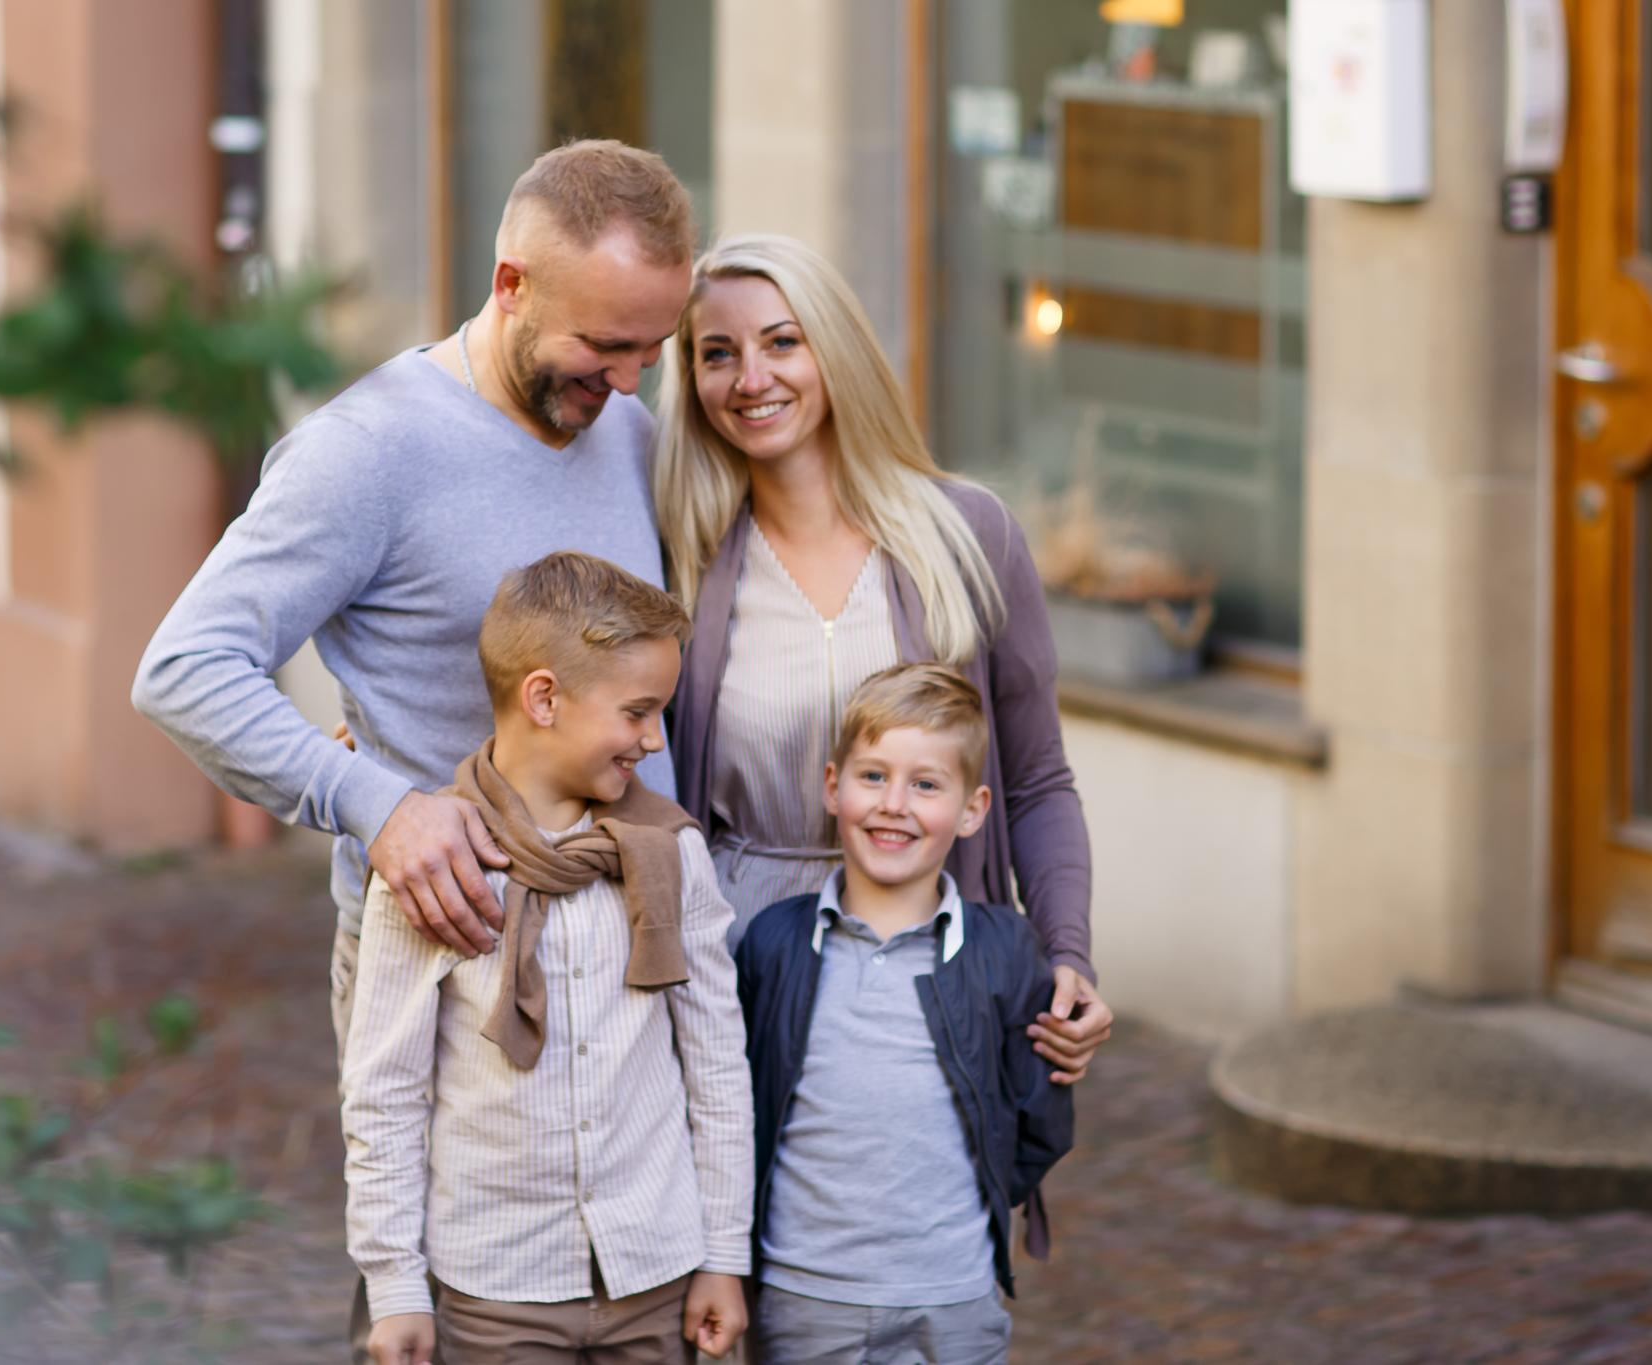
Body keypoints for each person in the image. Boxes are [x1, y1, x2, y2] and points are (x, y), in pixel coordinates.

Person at [132, 137, 696, 1355]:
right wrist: (373, 801)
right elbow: (183, 668)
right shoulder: (365, 451)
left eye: (648, 353)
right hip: (447, 967)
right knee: (427, 1311)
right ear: (510, 285)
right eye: (602, 347)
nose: (625, 384)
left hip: (625, 959)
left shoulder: (627, 433)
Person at [653, 232, 1113, 1085]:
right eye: (718, 354)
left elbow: (1037, 780)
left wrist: (1066, 952)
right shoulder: (682, 561)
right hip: (738, 976)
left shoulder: (969, 536)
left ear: (835, 349)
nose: (751, 378)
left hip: (934, 965)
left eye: (782, 342)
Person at [343, 552, 753, 1365]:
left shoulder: (671, 852)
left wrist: (723, 1254)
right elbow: (385, 1092)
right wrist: (395, 1287)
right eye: (638, 712)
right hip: (496, 1286)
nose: (655, 739)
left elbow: (715, 1064)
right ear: (543, 698)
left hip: (656, 1275)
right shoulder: (433, 869)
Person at [734, 663, 1077, 1363]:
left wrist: (950, 1226)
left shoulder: (1005, 951)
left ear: (973, 809)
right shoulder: (774, 943)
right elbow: (740, 1106)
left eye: (926, 784)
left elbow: (1038, 1121)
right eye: (873, 776)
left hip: (952, 1299)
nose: (894, 804)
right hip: (803, 1296)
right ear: (833, 785)